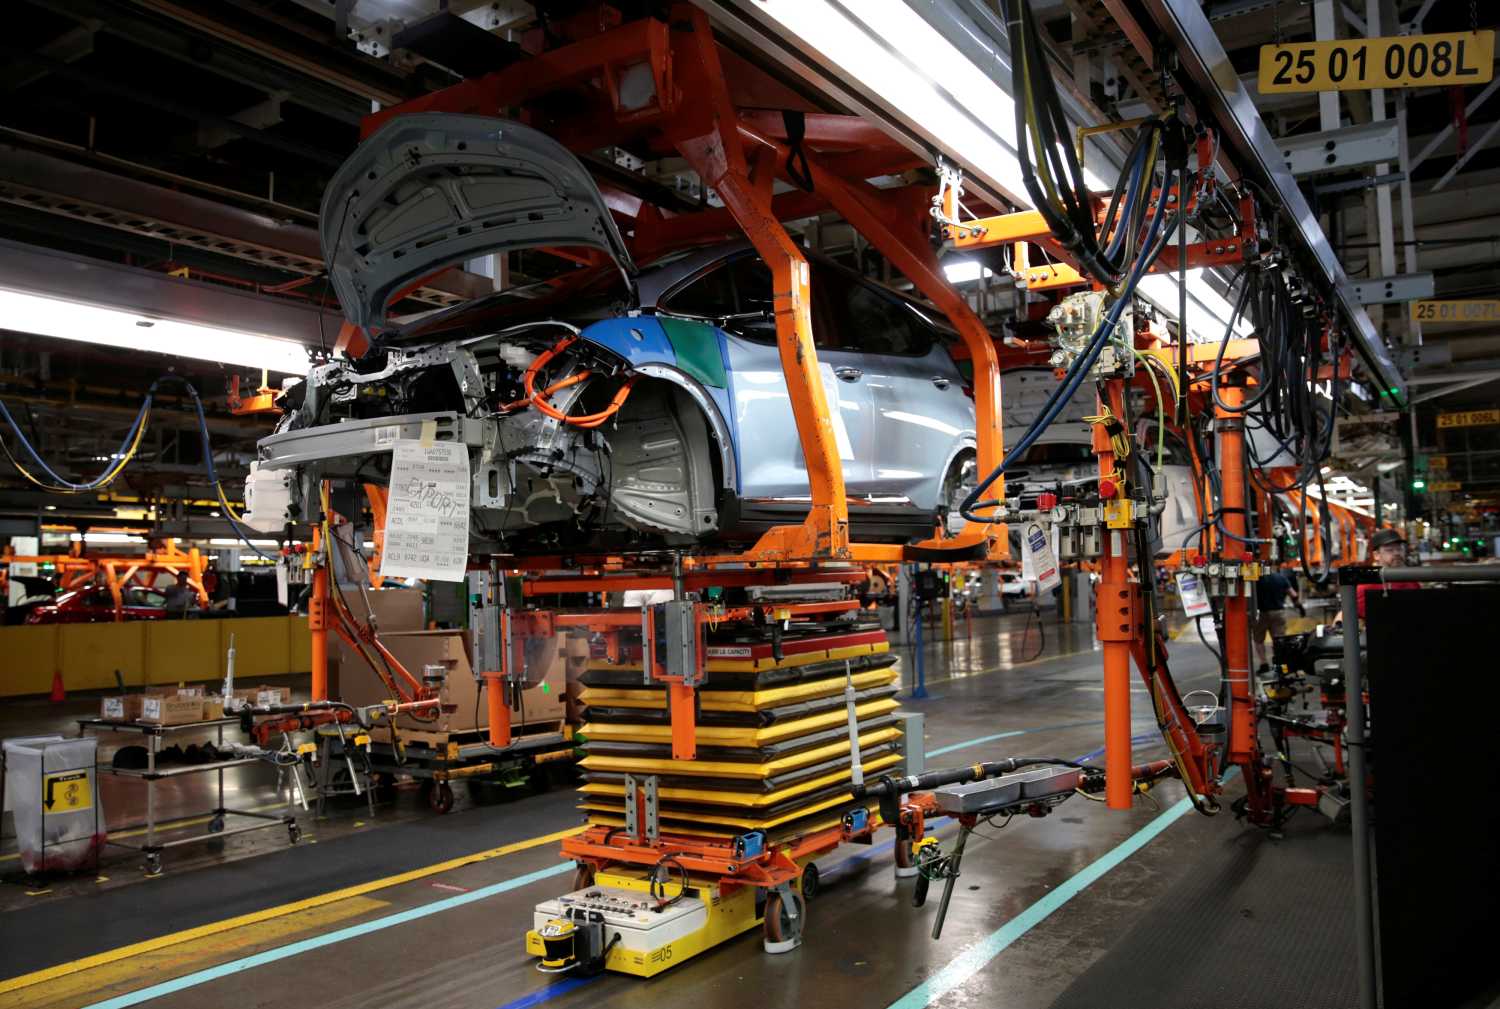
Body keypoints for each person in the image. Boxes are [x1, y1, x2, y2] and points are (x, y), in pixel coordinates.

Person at [1334, 527, 1420, 627]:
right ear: (1376, 555)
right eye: (1390, 550)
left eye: (1399, 549)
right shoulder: (1365, 587)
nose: (1397, 553)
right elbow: (1346, 614)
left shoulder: (1411, 582)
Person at [1253, 569, 1302, 670]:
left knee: (1259, 640)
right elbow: (1293, 594)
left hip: (1260, 613)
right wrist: (1299, 606)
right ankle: (1280, 664)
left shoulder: (1256, 578)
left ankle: (1264, 664)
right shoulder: (1281, 578)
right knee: (1279, 640)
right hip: (1278, 613)